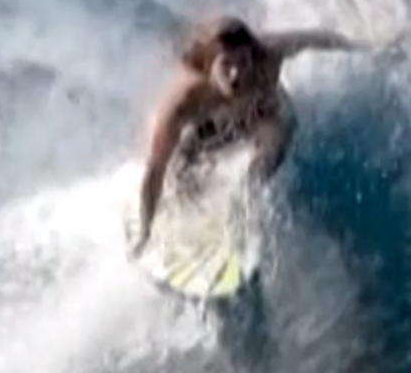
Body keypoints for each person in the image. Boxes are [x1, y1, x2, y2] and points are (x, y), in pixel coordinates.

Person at [129, 14, 380, 255]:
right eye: (226, 65)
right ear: (210, 63)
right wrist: (144, 231)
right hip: (209, 130)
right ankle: (177, 210)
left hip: (258, 115)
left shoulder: (270, 53)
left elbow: (319, 38)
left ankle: (243, 202)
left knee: (282, 127)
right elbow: (155, 168)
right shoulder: (185, 101)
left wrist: (368, 47)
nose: (237, 74)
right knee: (179, 177)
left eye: (243, 62)